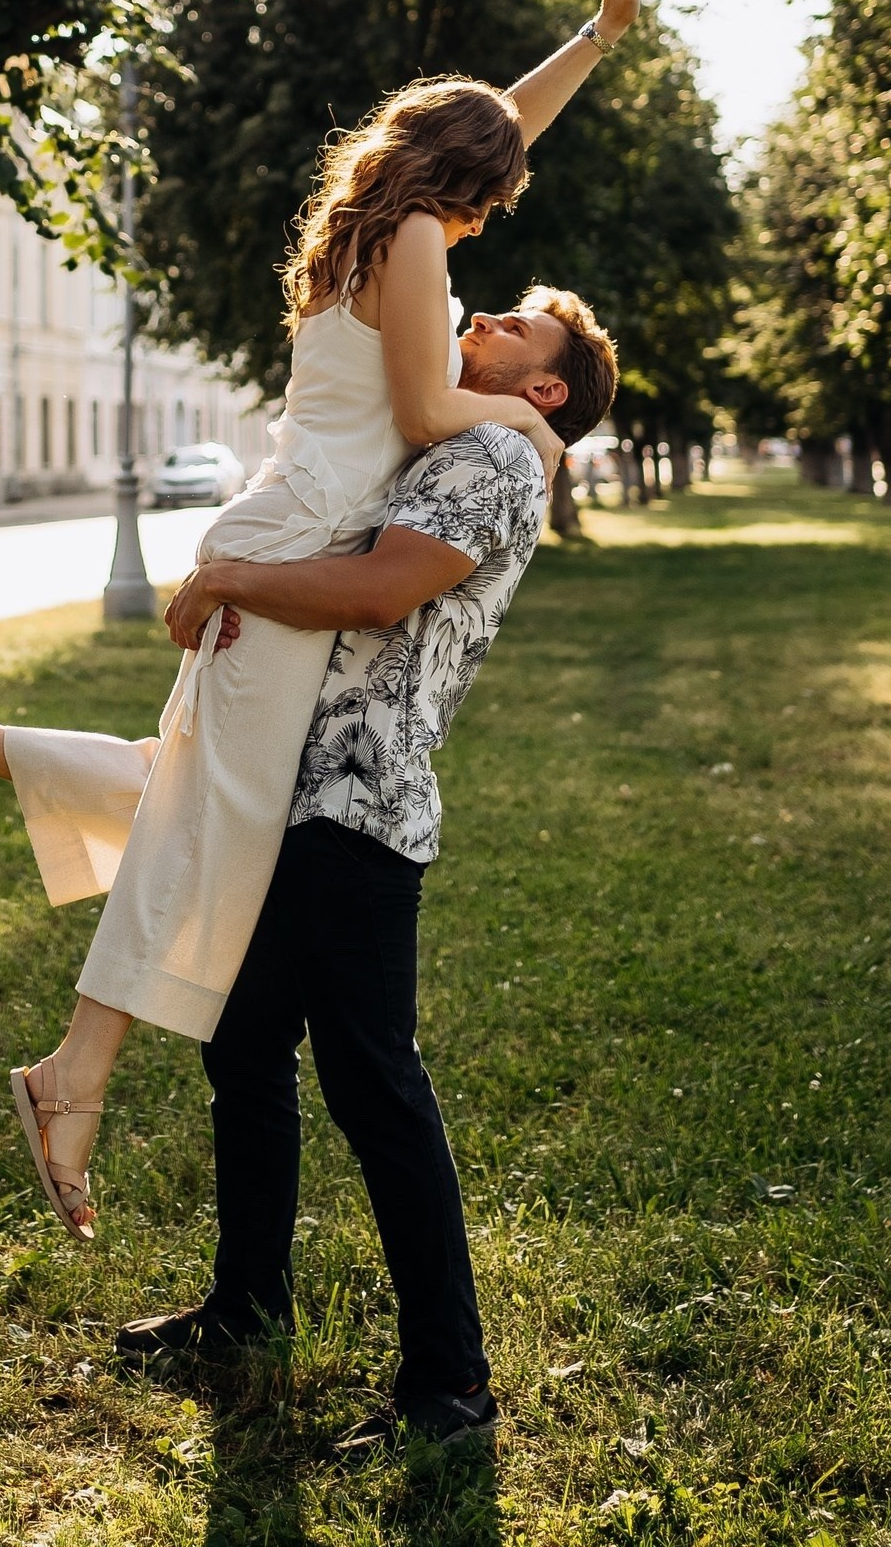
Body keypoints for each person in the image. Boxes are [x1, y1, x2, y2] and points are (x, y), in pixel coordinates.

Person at [0, 0, 640, 1239]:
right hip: (298, 541)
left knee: (193, 790)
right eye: (492, 195)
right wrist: (531, 428)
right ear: (460, 181)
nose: (493, 217)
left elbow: (500, 124)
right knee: (218, 821)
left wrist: (597, 38)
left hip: (282, 523)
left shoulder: (376, 225)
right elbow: (427, 413)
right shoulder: (419, 244)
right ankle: (70, 1078)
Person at [114, 288, 617, 1451]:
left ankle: (451, 1389)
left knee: (376, 1089)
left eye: (514, 328)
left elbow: (381, 590)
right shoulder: (458, 435)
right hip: (293, 795)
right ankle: (245, 1307)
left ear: (545, 389)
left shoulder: (495, 456)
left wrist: (227, 578)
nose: (482, 319)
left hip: (358, 808)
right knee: (243, 1049)